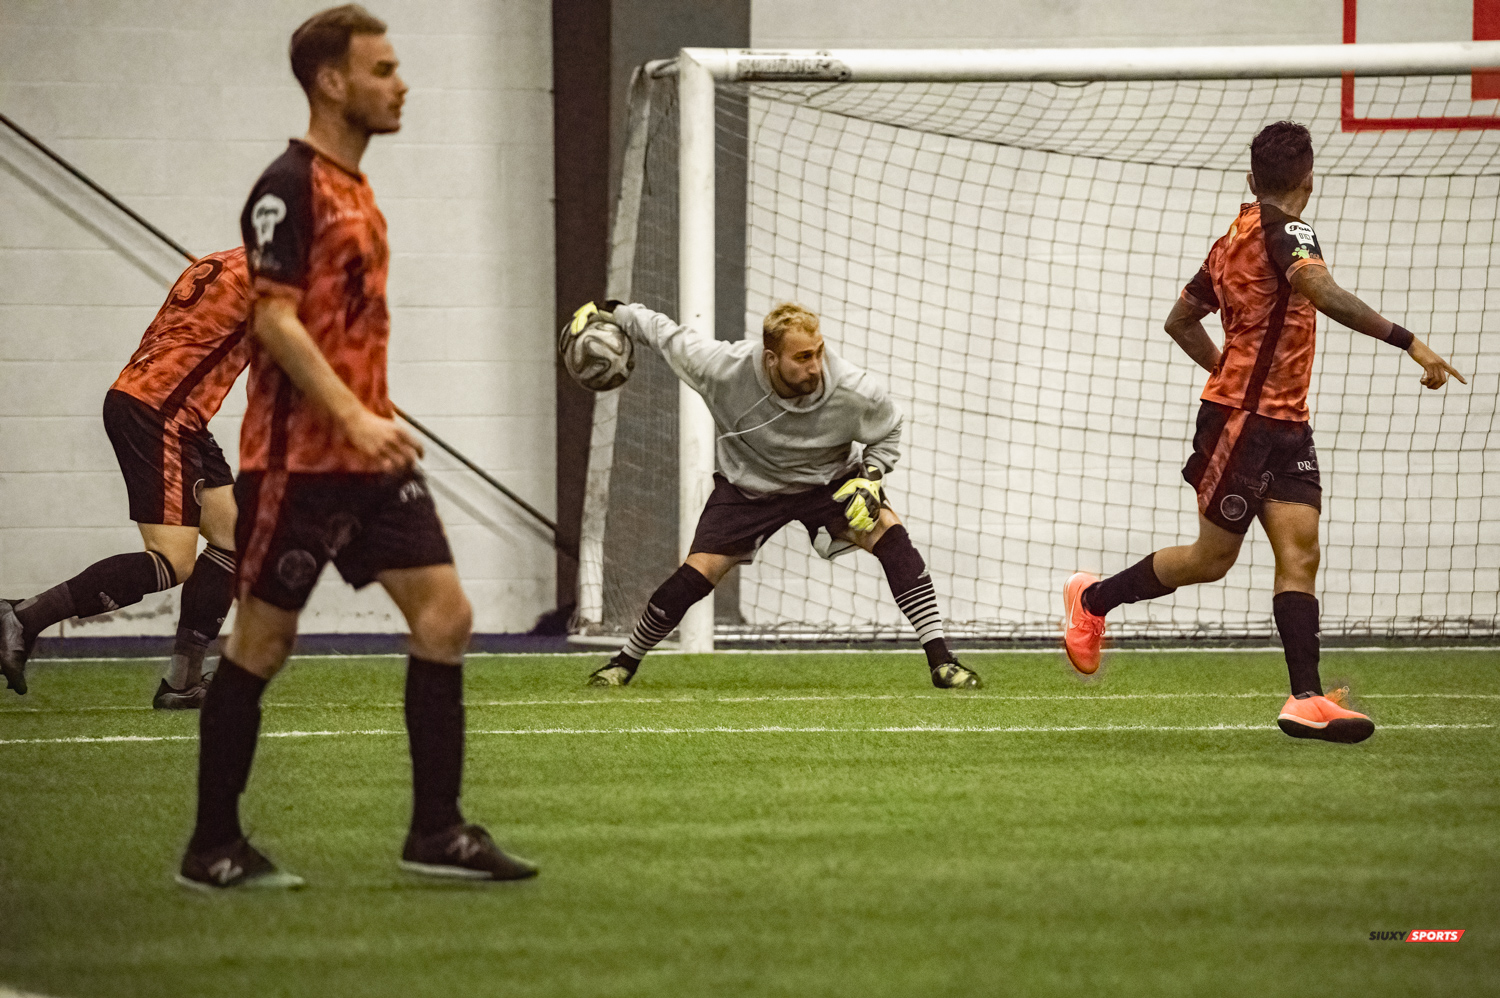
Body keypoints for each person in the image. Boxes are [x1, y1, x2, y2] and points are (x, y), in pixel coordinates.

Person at [176, 4, 534, 890]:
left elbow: (338, 333)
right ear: (332, 81)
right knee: (261, 646)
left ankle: (436, 831)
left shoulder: (359, 189)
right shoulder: (284, 188)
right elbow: (274, 320)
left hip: (368, 462)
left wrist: (378, 414)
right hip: (296, 465)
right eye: (382, 70)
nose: (400, 82)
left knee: (446, 618)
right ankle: (211, 846)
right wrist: (352, 415)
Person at [1061, 120, 1465, 743]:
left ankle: (1304, 698)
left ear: (1252, 176)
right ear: (1309, 177)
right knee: (1211, 560)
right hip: (1243, 425)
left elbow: (1181, 319)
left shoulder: (1231, 239)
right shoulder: (1288, 229)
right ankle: (1092, 601)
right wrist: (1408, 341)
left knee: (1300, 552)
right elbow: (1314, 284)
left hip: (1286, 425)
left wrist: (1226, 365)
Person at [581, 299, 983, 691]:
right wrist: (614, 310)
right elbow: (663, 333)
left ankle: (942, 661)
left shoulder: (854, 389)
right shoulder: (722, 369)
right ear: (771, 359)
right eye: (803, 357)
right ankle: (623, 663)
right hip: (749, 487)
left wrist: (872, 478)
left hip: (830, 482)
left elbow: (889, 431)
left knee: (891, 533)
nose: (815, 366)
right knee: (698, 571)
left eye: (819, 352)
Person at [1, 249, 251, 709]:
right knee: (174, 562)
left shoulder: (222, 261)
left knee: (235, 541)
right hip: (161, 415)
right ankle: (21, 617)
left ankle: (183, 682)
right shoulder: (276, 277)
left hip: (170, 412)